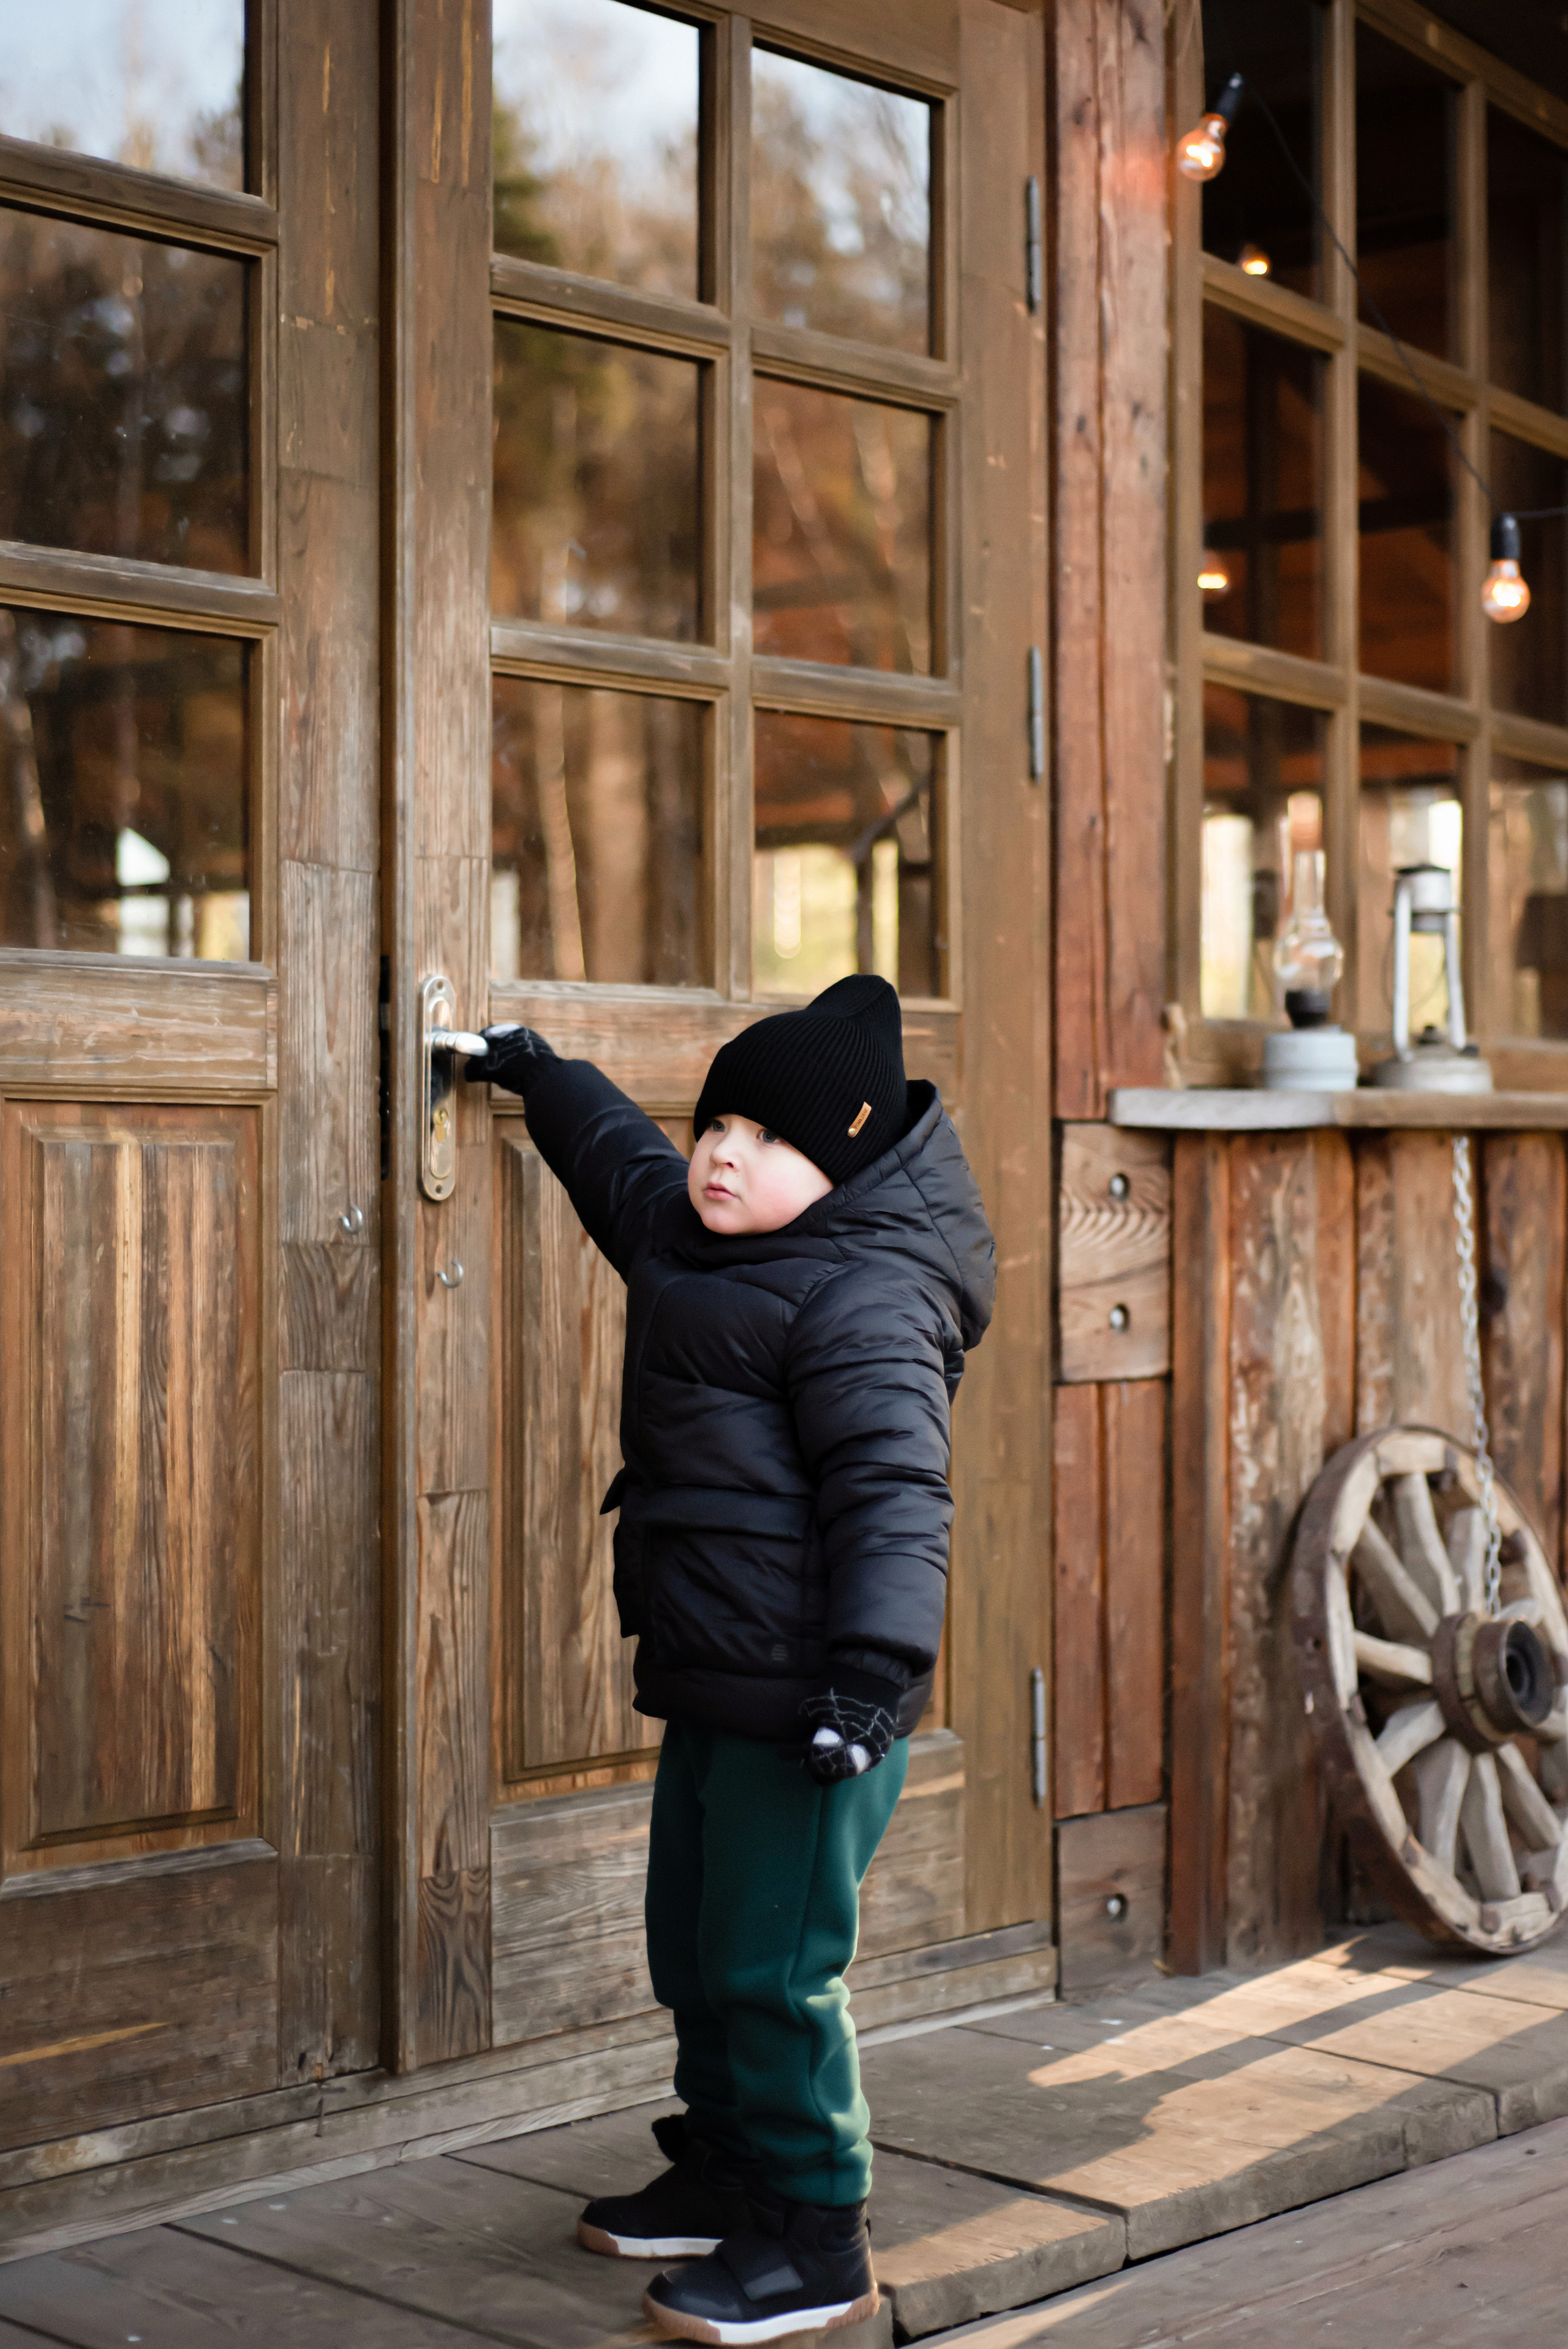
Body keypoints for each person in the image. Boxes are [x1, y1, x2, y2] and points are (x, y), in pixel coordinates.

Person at [469, 973, 994, 2345]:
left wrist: (870, 1677)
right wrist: (544, 1075)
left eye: (765, 1137)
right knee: (695, 1946)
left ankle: (815, 2229)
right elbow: (620, 1169)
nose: (721, 1151)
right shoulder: (701, 1243)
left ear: (842, 1164)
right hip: (716, 1677)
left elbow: (895, 1493)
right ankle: (725, 2163)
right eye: (718, 1124)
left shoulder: (865, 1298)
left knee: (772, 1967)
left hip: (819, 1702)